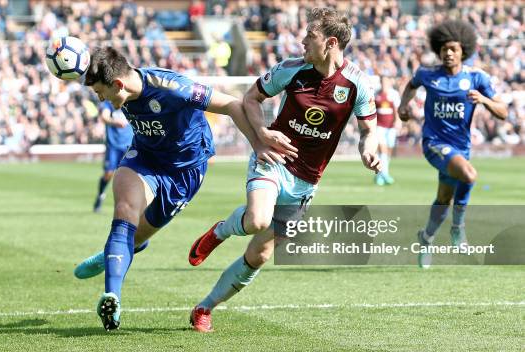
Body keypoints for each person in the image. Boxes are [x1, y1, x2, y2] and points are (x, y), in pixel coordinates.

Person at [187, 7, 381, 332]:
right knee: (257, 220)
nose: (302, 40)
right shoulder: (292, 69)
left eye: (310, 35)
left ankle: (205, 307)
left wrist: (369, 151)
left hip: (306, 182)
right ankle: (220, 231)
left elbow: (369, 129)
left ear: (330, 42)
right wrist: (263, 133)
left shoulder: (357, 83)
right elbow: (250, 98)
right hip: (273, 161)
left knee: (260, 255)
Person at [75, 46, 295, 331]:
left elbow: (231, 104)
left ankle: (112, 254)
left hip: (184, 171)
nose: (101, 99)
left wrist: (258, 143)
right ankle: (112, 296)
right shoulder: (121, 90)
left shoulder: (173, 88)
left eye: (100, 93)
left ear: (118, 84)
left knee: (136, 235)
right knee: (124, 213)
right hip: (144, 157)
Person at [397, 20, 507, 268]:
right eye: (444, 49)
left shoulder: (477, 78)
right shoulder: (428, 74)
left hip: (461, 148)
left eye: (453, 49)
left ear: (463, 52)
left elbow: (502, 111)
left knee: (444, 198)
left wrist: (484, 101)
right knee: (469, 175)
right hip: (434, 142)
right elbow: (410, 86)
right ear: (439, 50)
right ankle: (458, 228)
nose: (448, 53)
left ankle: (426, 238)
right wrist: (403, 106)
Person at [93, 101, 134, 213]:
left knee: (129, 176)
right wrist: (114, 122)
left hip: (129, 145)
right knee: (108, 174)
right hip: (113, 145)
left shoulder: (131, 101)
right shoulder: (109, 103)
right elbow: (104, 117)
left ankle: (127, 205)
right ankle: (100, 195)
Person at [374, 76, 401, 185]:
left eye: (386, 81)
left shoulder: (393, 94)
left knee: (388, 152)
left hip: (391, 126)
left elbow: (397, 109)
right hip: (379, 126)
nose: (384, 83)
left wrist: (398, 121)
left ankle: (379, 175)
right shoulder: (376, 93)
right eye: (382, 81)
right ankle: (384, 174)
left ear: (390, 82)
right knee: (382, 149)